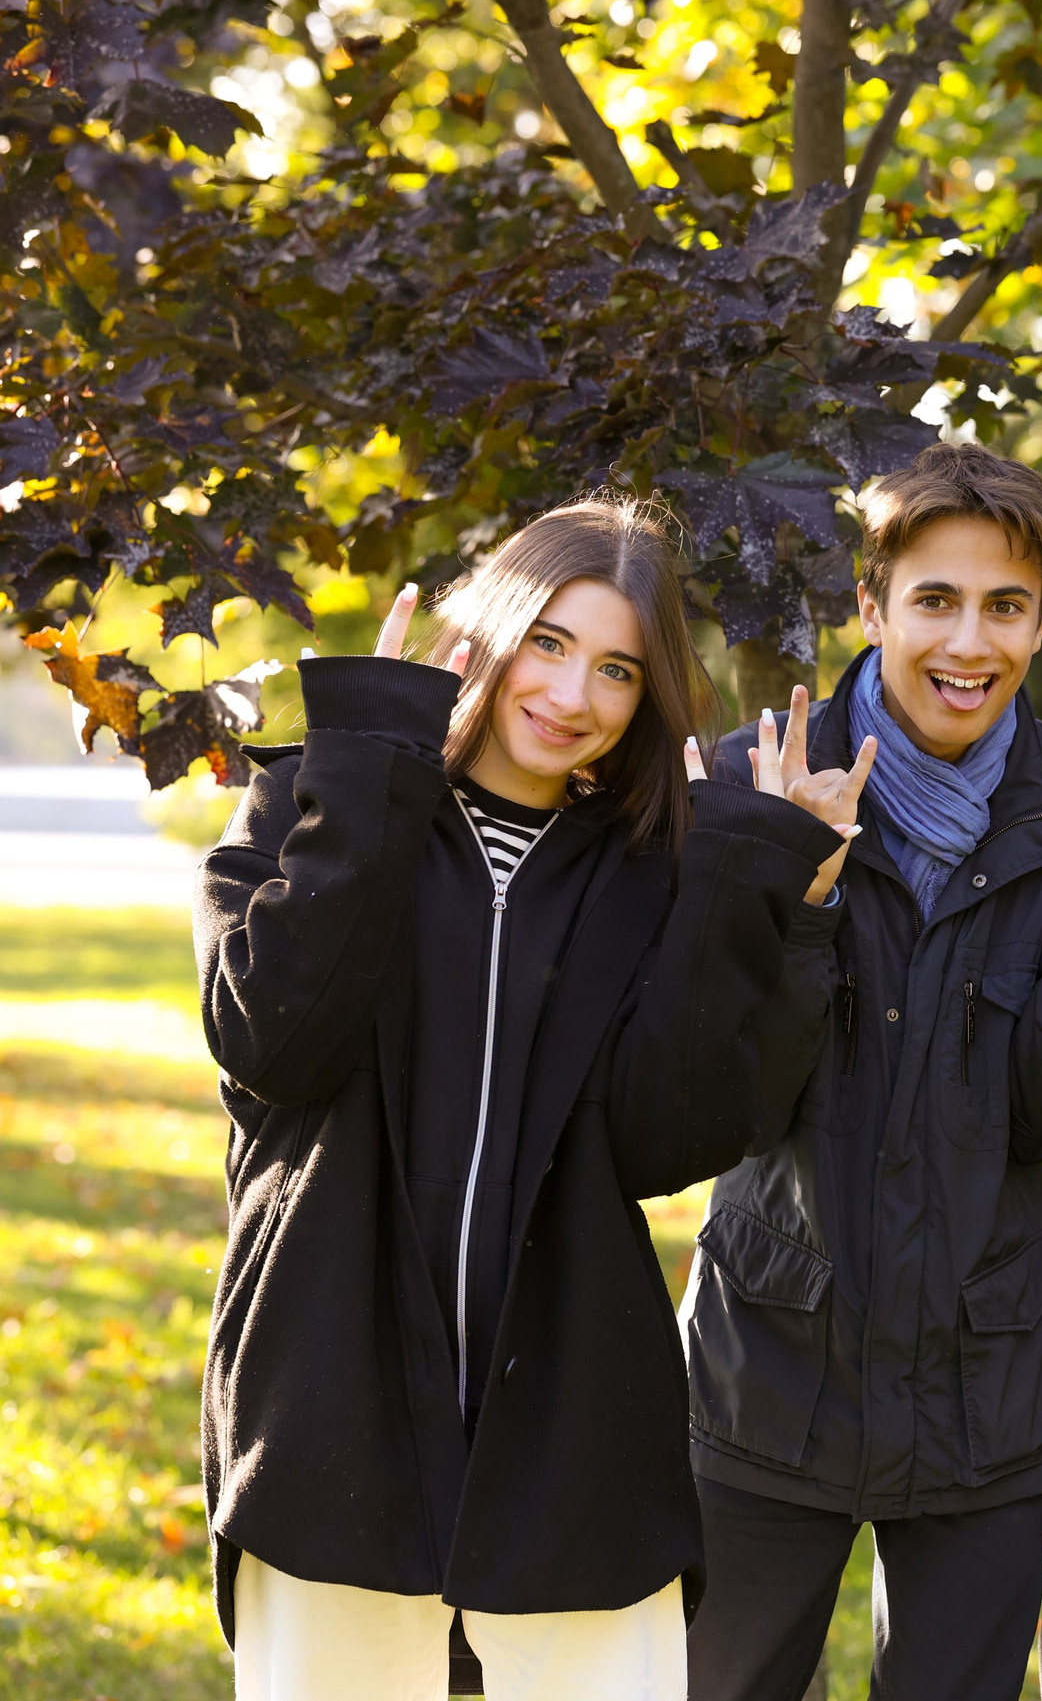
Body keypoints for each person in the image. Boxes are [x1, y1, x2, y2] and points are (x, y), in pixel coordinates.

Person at [200, 501, 857, 1700]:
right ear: (490, 632)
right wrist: (372, 770)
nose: (571, 693)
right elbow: (269, 1046)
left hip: (576, 1421)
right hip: (329, 1399)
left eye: (617, 668)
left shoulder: (652, 873)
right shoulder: (312, 800)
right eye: (548, 643)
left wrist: (737, 890)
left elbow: (670, 1139)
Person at [679, 441, 1042, 1701]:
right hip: (771, 1363)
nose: (969, 643)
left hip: (991, 1383)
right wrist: (801, 901)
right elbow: (732, 1107)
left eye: (1004, 605)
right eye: (935, 599)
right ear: (872, 607)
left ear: (1038, 622)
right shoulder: (750, 780)